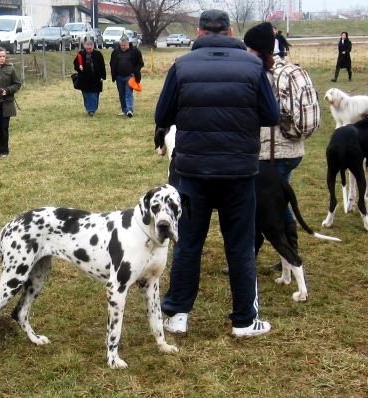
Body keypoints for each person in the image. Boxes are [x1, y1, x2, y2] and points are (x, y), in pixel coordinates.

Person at [155, 10, 279, 337]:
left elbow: (162, 114)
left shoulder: (181, 65)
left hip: (192, 172)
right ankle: (244, 320)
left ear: (199, 31)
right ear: (230, 30)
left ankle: (177, 314)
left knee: (188, 244)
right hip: (239, 172)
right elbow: (271, 114)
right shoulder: (253, 67)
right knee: (239, 246)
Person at [245, 22, 303, 270]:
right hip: (293, 147)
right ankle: (286, 256)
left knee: (271, 207)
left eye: (248, 47)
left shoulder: (265, 74)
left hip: (274, 150)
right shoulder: (288, 68)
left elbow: (269, 113)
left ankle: (289, 255)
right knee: (279, 202)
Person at [110, 36, 143, 118]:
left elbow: (140, 63)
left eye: (124, 45)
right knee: (121, 94)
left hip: (130, 76)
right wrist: (114, 73)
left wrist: (135, 72)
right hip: (119, 76)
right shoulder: (115, 52)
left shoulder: (135, 51)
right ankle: (124, 110)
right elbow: (112, 63)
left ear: (128, 44)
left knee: (128, 93)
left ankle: (129, 110)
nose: (123, 47)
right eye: (121, 45)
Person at [73, 40, 106, 117]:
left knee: (95, 94)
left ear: (93, 47)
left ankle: (93, 109)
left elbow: (102, 66)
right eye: (87, 48)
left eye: (90, 48)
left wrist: (103, 76)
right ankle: (89, 109)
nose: (88, 50)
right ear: (85, 47)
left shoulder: (98, 54)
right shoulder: (80, 54)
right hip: (84, 78)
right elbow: (75, 64)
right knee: (86, 94)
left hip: (96, 78)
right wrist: (79, 67)